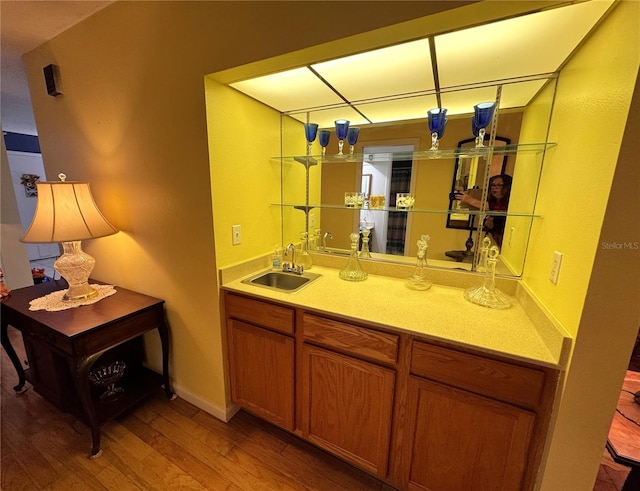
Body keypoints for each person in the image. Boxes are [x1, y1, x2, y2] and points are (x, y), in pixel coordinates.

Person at [454, 174, 512, 248]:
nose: (495, 188)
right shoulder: (493, 201)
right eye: (493, 185)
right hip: (496, 241)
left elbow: (489, 206)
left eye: (499, 185)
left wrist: (468, 199)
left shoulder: (509, 204)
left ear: (507, 187)